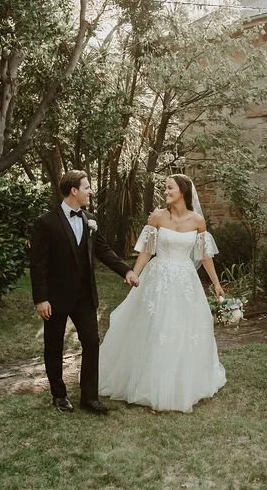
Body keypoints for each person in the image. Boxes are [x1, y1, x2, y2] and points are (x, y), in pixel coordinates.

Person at [98, 173, 227, 413]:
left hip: (185, 281)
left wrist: (216, 283)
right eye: (165, 188)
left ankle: (180, 383)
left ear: (183, 191)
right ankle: (147, 382)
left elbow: (204, 256)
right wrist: (134, 273)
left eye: (170, 188)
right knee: (156, 327)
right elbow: (147, 251)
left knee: (183, 329)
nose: (166, 192)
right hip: (158, 279)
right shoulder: (157, 217)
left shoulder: (198, 221)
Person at [28, 170, 139, 414]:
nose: (91, 191)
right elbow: (38, 264)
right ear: (74, 191)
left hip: (84, 296)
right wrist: (41, 298)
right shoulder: (46, 223)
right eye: (87, 187)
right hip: (55, 298)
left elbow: (104, 250)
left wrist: (126, 272)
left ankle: (89, 398)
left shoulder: (90, 220)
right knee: (54, 345)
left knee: (91, 342)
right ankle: (59, 395)